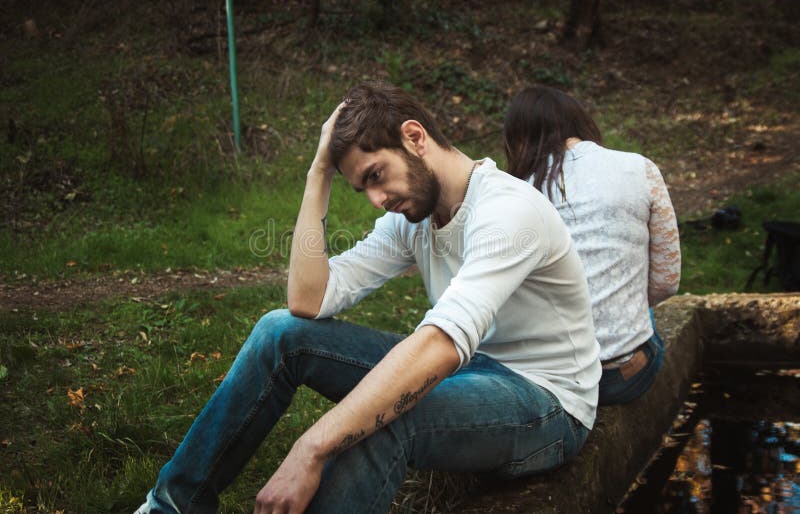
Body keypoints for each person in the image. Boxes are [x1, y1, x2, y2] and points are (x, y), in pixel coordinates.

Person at [136, 82, 601, 514]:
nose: (376, 199)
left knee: (387, 415)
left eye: (377, 175)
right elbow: (308, 300)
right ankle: (171, 506)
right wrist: (317, 174)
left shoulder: (507, 210)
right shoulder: (411, 221)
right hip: (472, 371)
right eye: (362, 188)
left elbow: (440, 345)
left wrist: (311, 446)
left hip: (547, 402)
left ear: (415, 137)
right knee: (280, 333)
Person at [502, 85, 681, 406]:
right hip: (623, 376)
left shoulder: (512, 193)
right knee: (645, 319)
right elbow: (667, 283)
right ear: (579, 123)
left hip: (547, 378)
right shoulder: (639, 168)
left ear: (518, 137)